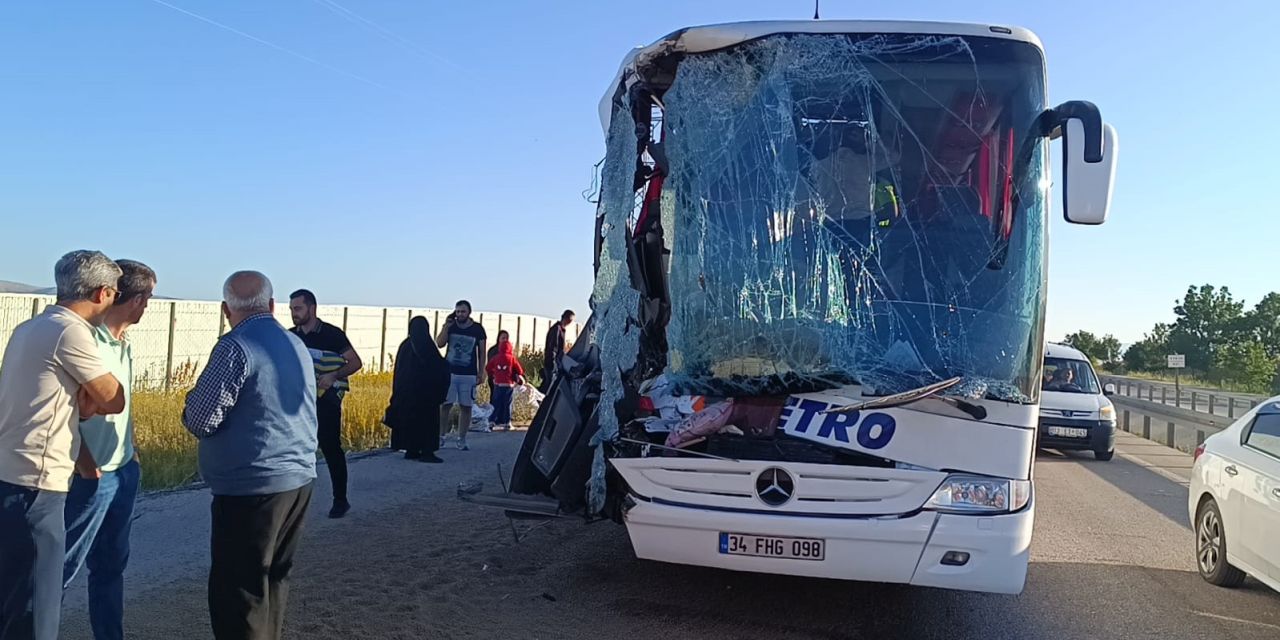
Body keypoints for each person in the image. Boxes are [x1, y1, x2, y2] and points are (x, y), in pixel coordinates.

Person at [182, 271, 318, 640]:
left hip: (251, 486)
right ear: (272, 306)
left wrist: (188, 403)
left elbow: (200, 418)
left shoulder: (235, 346)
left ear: (226, 309)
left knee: (240, 594)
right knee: (274, 580)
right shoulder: (295, 345)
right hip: (298, 479)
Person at [0, 250, 125, 640]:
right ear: (103, 292)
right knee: (39, 607)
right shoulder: (71, 331)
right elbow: (113, 398)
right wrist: (91, 397)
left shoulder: (30, 327)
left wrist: (83, 402)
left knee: (14, 599)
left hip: (12, 475)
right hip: (38, 484)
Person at [61, 259, 155, 640]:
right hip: (89, 476)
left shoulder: (123, 344)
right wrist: (86, 466)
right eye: (147, 296)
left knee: (111, 567)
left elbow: (122, 405)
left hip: (122, 472)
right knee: (58, 570)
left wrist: (130, 451)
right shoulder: (85, 342)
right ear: (132, 299)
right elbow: (66, 412)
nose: (148, 305)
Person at [288, 289, 362, 519]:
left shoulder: (332, 335)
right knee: (296, 451)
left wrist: (333, 376)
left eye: (298, 308)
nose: (294, 314)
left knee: (331, 448)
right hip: (298, 403)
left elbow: (355, 362)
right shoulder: (290, 336)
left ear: (312, 308)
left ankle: (340, 500)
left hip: (326, 402)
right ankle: (292, 505)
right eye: (291, 309)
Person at [385, 317, 450, 462]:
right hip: (426, 395)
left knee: (411, 420)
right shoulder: (427, 345)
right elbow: (438, 368)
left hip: (407, 395)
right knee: (428, 422)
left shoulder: (406, 346)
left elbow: (399, 372)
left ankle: (411, 449)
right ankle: (427, 451)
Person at [435, 300, 487, 451]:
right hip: (450, 373)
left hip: (468, 374)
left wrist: (481, 372)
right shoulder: (451, 326)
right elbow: (439, 343)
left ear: (469, 312)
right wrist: (446, 326)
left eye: (463, 311)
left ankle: (461, 438)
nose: (460, 314)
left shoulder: (477, 329)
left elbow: (482, 352)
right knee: (445, 405)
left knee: (466, 406)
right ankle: (441, 436)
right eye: (457, 311)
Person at [485, 335, 525, 432]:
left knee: (496, 403)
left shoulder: (496, 357)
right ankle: (507, 423)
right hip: (509, 385)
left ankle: (491, 421)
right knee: (507, 404)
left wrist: (493, 374)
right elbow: (520, 370)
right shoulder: (512, 358)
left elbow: (488, 367)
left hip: (498, 384)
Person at [542, 310, 575, 393]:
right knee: (549, 385)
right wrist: (554, 362)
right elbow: (553, 347)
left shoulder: (560, 329)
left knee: (549, 384)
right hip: (552, 362)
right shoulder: (557, 329)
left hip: (556, 361)